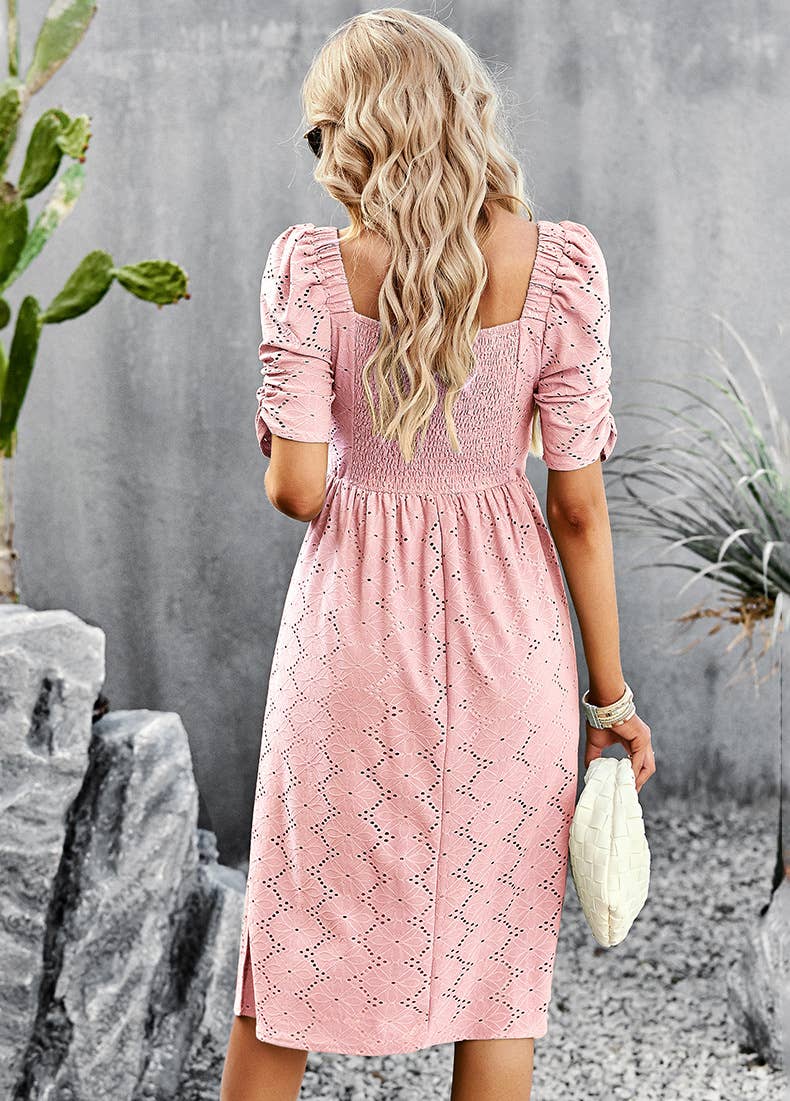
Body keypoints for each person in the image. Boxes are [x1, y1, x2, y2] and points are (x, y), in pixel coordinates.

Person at [220, 8, 654, 1100]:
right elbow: (578, 511)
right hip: (513, 647)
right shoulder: (561, 266)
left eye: (321, 132)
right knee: (497, 967)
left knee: (290, 950)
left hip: (350, 640)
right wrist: (610, 701)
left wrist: (305, 428)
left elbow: (298, 489)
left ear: (355, 132)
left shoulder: (310, 270)